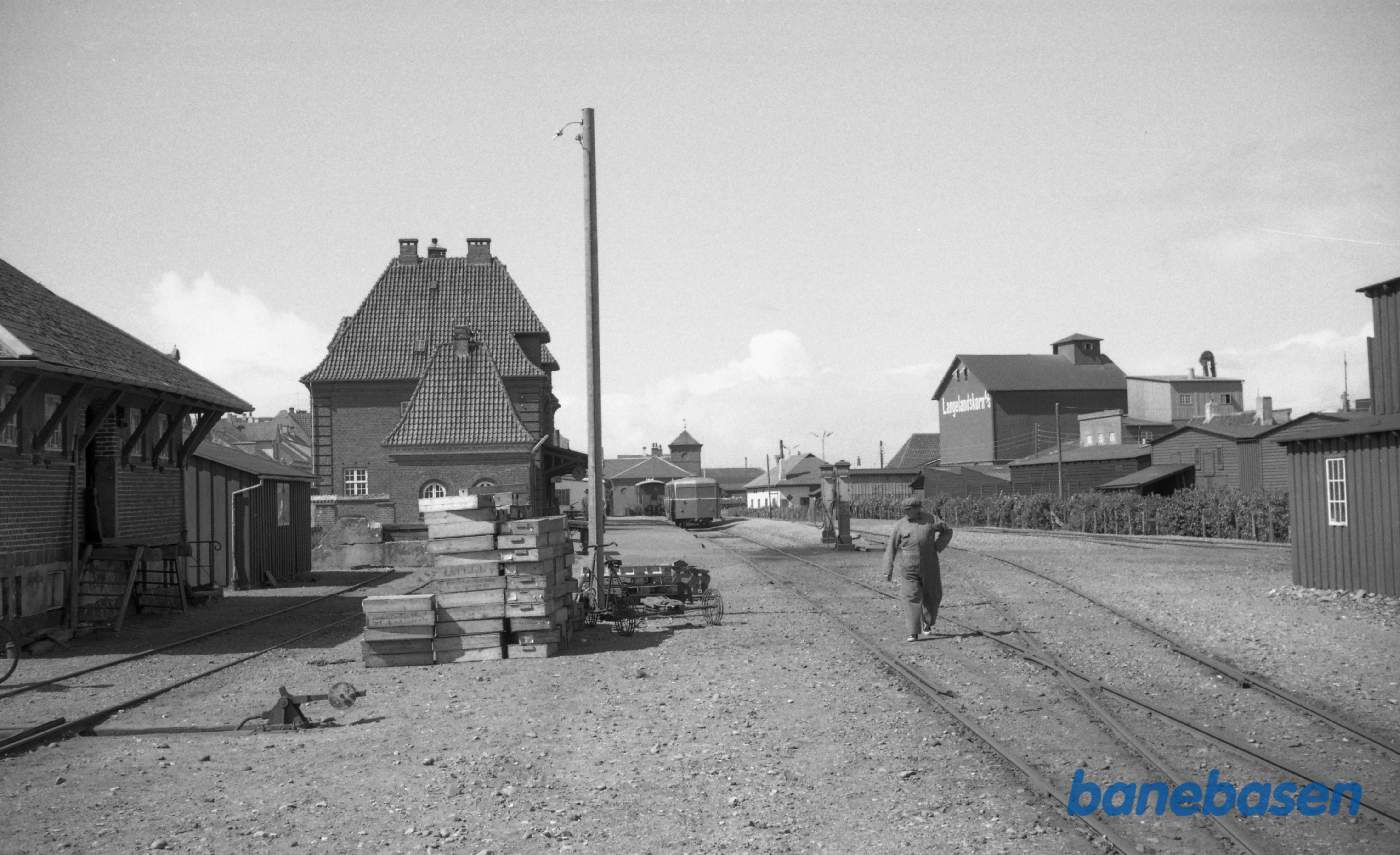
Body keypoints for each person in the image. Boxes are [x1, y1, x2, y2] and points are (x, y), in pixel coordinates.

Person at [882, 495, 953, 642]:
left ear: (917, 509)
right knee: (911, 597)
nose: (905, 512)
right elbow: (891, 548)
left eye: (908, 510)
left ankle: (928, 622)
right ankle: (913, 631)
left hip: (930, 566)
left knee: (932, 596)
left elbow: (947, 530)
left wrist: (938, 546)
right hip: (909, 568)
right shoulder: (900, 525)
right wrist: (887, 569)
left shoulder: (931, 519)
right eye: (904, 510)